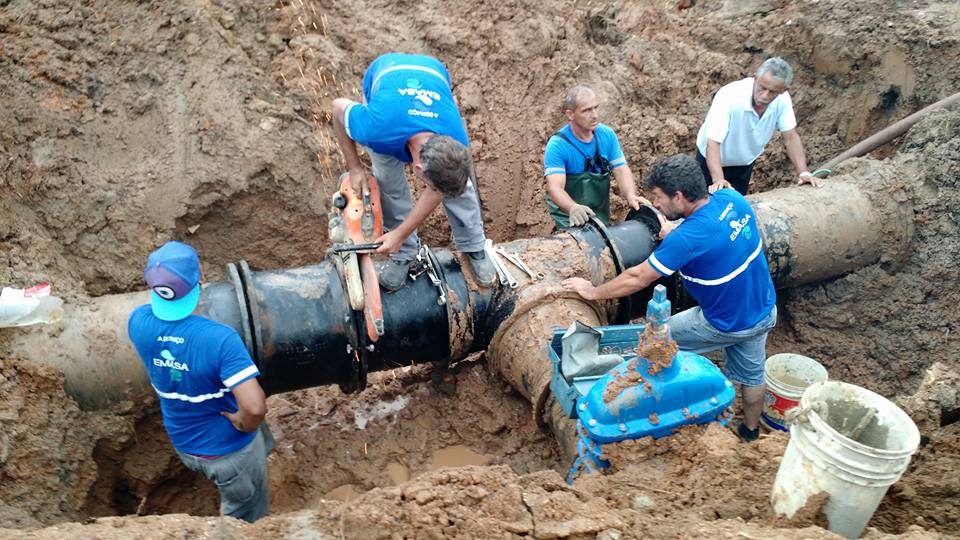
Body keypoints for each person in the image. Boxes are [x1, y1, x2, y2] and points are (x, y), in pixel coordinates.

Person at [562, 155, 777, 443]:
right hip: (763, 310)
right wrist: (676, 230)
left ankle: (652, 415)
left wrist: (593, 292)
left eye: (658, 198)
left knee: (652, 343)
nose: (656, 205)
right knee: (753, 376)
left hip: (724, 322)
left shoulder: (685, 241)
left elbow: (638, 277)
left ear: (679, 196)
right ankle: (749, 432)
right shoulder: (731, 198)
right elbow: (711, 229)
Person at [127, 241, 273, 522]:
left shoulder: (138, 323)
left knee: (256, 444)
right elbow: (254, 408)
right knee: (244, 514)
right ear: (200, 280)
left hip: (184, 443)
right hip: (229, 453)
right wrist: (242, 423)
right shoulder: (220, 340)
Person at [331, 52, 496, 291]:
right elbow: (337, 107)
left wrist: (400, 231)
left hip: (433, 73)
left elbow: (441, 189)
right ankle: (404, 252)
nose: (436, 192)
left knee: (459, 185)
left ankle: (473, 244)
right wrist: (355, 167)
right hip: (385, 75)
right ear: (417, 168)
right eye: (432, 186)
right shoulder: (376, 129)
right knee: (389, 184)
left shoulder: (456, 136)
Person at [696, 57, 822, 195]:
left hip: (744, 163)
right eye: (762, 88)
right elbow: (713, 142)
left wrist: (803, 172)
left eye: (773, 92)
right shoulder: (730, 97)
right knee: (706, 204)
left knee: (737, 204)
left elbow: (790, 137)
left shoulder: (782, 100)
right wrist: (719, 180)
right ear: (755, 78)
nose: (765, 95)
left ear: (783, 90)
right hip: (711, 162)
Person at [543, 85, 647, 229]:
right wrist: (573, 207)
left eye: (595, 108)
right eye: (586, 110)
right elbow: (555, 188)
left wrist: (630, 196)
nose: (595, 115)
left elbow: (621, 169)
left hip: (599, 215)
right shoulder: (558, 145)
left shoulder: (607, 135)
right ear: (570, 114)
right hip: (569, 217)